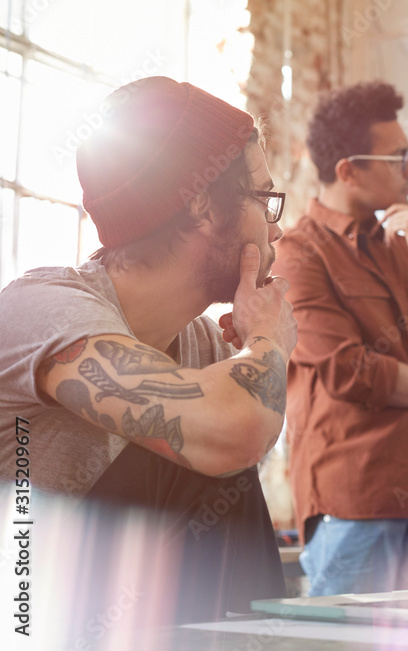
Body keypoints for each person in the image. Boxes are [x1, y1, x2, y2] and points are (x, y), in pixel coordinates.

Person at [0, 76, 297, 623]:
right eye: (265, 200)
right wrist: (265, 341)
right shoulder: (42, 310)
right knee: (210, 446)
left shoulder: (203, 343)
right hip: (22, 616)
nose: (275, 230)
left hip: (121, 619)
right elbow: (234, 431)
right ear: (205, 207)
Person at [273, 81, 408, 596]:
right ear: (348, 171)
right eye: (398, 158)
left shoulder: (400, 247)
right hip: (358, 506)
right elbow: (352, 371)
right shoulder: (298, 255)